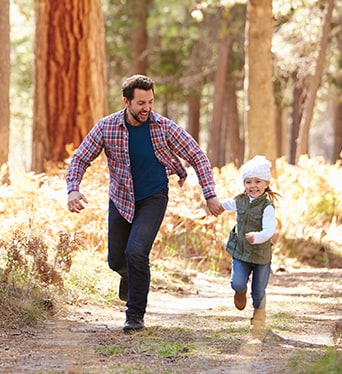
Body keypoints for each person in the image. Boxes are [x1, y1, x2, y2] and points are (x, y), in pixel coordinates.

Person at [66, 74, 223, 333]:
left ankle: (135, 316)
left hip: (153, 196)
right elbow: (81, 158)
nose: (147, 108)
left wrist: (210, 194)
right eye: (141, 103)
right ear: (126, 101)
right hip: (120, 198)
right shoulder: (107, 127)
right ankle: (130, 276)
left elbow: (197, 155)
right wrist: (73, 189)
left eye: (150, 101)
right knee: (116, 260)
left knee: (137, 252)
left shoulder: (163, 127)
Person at [221, 155, 279, 339]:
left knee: (259, 290)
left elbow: (269, 230)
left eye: (257, 181)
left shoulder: (267, 207)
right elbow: (224, 204)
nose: (252, 186)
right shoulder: (240, 201)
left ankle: (259, 318)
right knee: (237, 281)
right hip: (241, 251)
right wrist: (212, 203)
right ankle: (240, 291)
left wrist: (258, 237)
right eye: (248, 182)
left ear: (266, 183)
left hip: (261, 254)